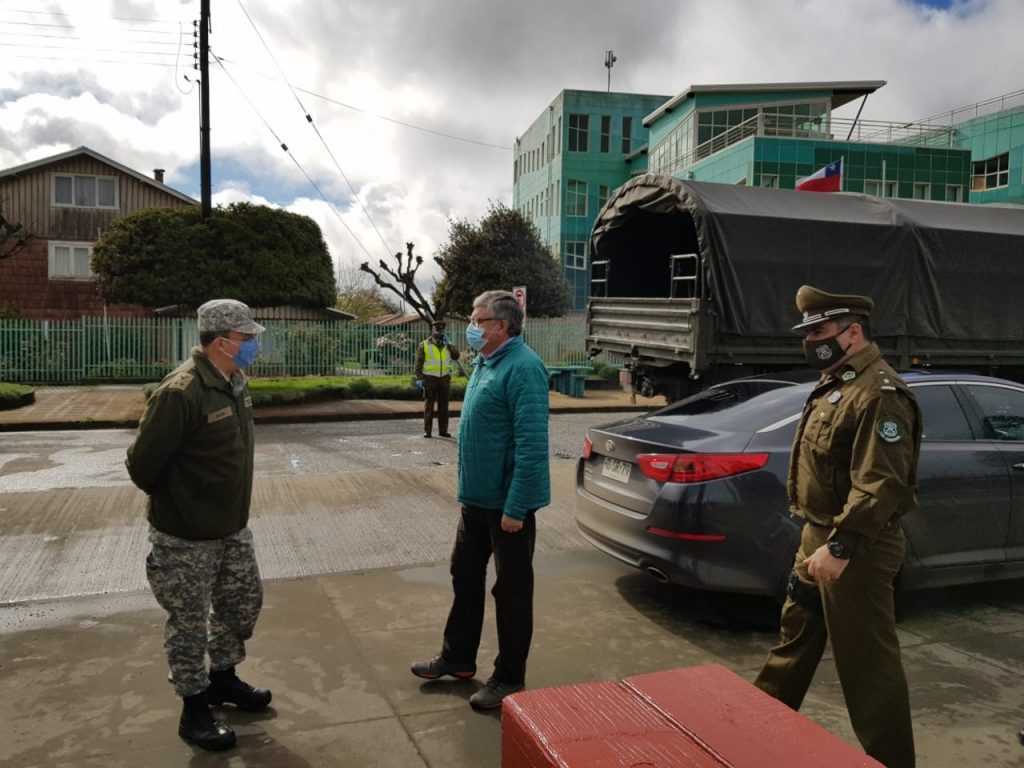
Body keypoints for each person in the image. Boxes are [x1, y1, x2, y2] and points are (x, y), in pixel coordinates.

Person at [753, 285, 922, 768]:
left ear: (853, 332)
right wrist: (820, 540)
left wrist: (843, 545)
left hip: (858, 551)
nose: (810, 340)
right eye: (807, 331)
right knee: (792, 644)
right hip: (818, 539)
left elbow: (882, 482)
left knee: (868, 669)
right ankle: (750, 738)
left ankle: (892, 761)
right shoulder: (837, 381)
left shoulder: (880, 393)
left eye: (819, 330)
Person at [126, 299, 271, 752]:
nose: (252, 345)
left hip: (231, 527)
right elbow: (141, 465)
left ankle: (223, 679)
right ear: (222, 341)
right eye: (247, 339)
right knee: (188, 624)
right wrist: (183, 502)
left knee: (242, 605)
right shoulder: (181, 391)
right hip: (185, 537)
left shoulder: (234, 381)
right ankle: (193, 708)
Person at [410, 290, 550, 710]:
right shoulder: (485, 362)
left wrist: (515, 506)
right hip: (476, 500)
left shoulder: (524, 368)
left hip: (508, 505)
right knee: (464, 577)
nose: (470, 326)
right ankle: (458, 658)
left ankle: (509, 677)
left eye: (477, 319)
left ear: (501, 326)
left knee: (510, 591)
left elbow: (530, 445)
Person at [413, 319, 461, 438]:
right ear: (432, 330)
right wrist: (419, 378)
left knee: (444, 406)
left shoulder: (447, 344)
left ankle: (443, 430)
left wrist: (449, 344)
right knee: (429, 405)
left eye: (441, 330)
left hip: (444, 378)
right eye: (437, 330)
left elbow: (456, 356)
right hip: (429, 378)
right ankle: (427, 431)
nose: (439, 332)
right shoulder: (424, 344)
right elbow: (418, 363)